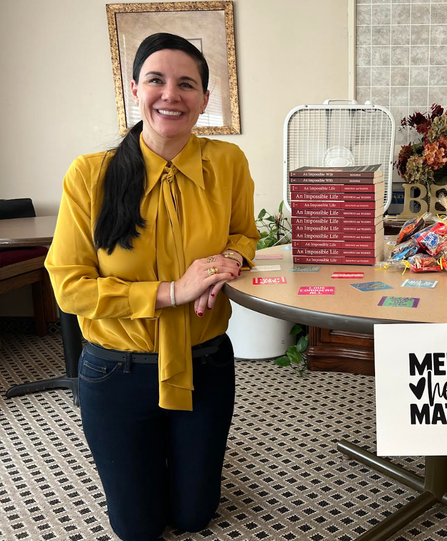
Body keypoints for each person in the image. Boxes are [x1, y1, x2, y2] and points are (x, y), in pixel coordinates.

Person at [45, 33, 260, 541]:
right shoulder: (89, 175)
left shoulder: (227, 163)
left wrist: (227, 260)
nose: (172, 94)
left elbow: (244, 234)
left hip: (203, 361)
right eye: (157, 80)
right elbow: (70, 288)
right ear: (135, 91)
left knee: (193, 516)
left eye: (187, 84)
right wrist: (171, 292)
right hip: (115, 370)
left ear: (205, 99)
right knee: (137, 529)